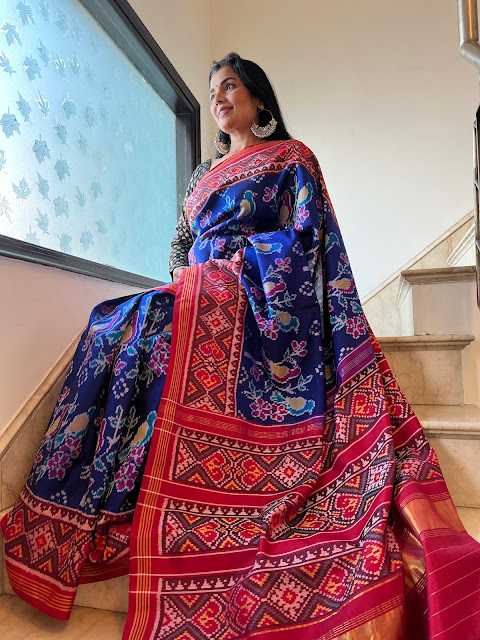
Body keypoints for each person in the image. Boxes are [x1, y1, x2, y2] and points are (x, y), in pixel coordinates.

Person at [2, 52, 480, 640]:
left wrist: (241, 267)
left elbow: (308, 241)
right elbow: (180, 246)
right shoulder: (202, 177)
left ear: (257, 98)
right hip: (202, 290)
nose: (219, 98)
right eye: (212, 91)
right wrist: (189, 278)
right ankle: (102, 489)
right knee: (112, 326)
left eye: (229, 86)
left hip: (256, 297)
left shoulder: (292, 158)